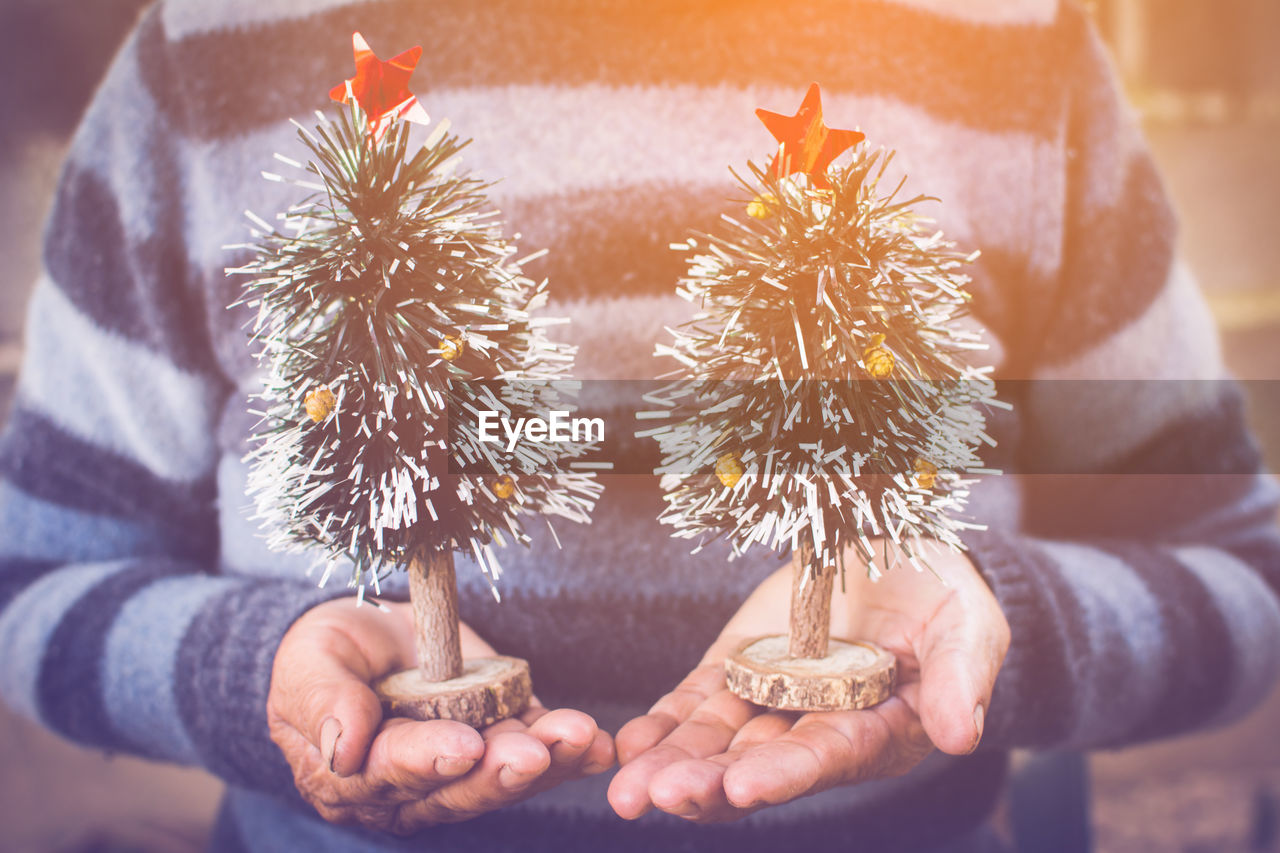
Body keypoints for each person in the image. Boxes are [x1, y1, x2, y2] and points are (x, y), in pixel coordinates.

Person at [2, 1, 1278, 850]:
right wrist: (249, 676)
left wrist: (996, 634)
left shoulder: (1012, 42)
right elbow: (32, 588)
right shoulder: (207, 48)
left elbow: (1240, 580)